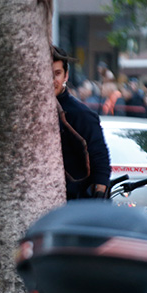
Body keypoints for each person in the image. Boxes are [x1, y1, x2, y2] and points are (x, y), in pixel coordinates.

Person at [52, 46, 111, 199]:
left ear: (66, 75)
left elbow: (100, 159)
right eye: (45, 74)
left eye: (56, 74)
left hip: (75, 200)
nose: (51, 80)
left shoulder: (82, 115)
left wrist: (98, 195)